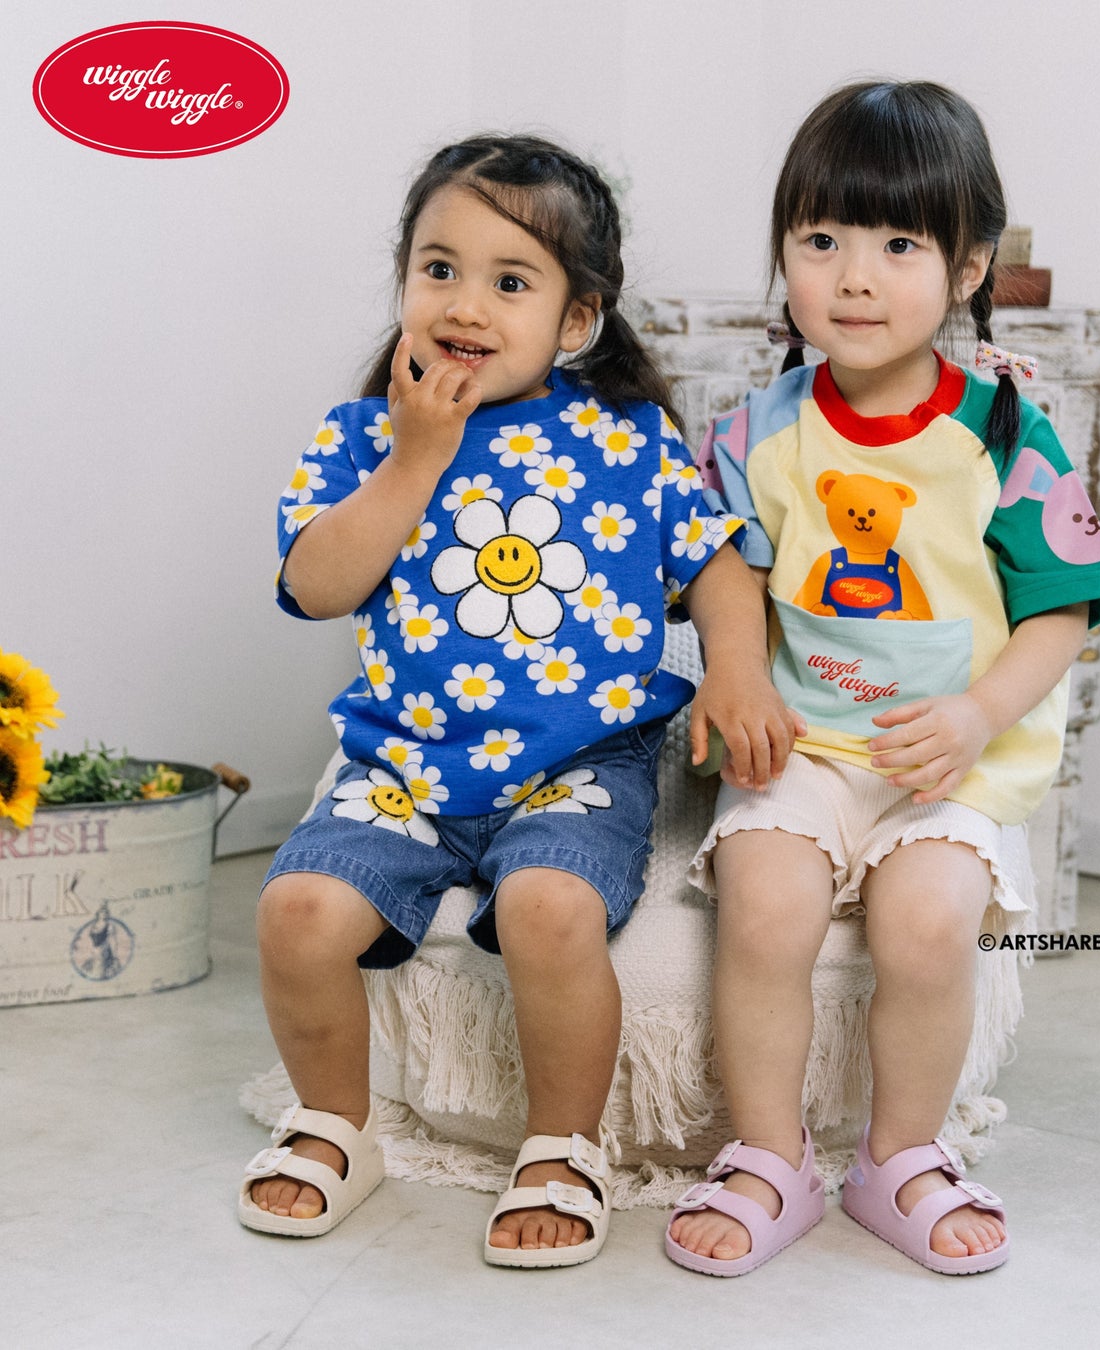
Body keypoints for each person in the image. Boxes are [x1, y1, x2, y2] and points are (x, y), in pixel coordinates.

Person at [238, 134, 796, 1268]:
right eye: (438, 269)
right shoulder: (359, 437)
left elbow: (717, 563)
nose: (464, 304)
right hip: (403, 765)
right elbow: (316, 584)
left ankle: (561, 1145)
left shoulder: (624, 439)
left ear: (575, 318)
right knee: (295, 914)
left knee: (549, 910)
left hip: (575, 764)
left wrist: (736, 668)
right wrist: (415, 458)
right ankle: (336, 1124)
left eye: (510, 281)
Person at [665, 81, 1100, 1277]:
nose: (854, 279)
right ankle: (768, 1160)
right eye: (821, 240)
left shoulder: (1006, 432)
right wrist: (737, 673)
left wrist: (976, 716)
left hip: (948, 761)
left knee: (927, 926)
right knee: (764, 908)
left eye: (899, 246)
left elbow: (1062, 608)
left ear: (967, 268)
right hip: (806, 747)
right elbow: (725, 569)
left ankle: (902, 1157)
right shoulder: (756, 432)